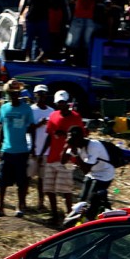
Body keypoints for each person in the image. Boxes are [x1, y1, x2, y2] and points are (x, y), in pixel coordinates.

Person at [39, 90, 86, 224]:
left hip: (67, 159)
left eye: (63, 103)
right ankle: (55, 215)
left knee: (65, 189)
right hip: (52, 156)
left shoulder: (75, 117)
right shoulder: (53, 115)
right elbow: (49, 135)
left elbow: (81, 137)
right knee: (49, 188)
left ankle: (69, 216)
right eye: (59, 103)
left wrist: (65, 135)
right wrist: (43, 152)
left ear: (67, 103)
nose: (62, 105)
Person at [0, 81, 35, 218]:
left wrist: (32, 147)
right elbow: (1, 128)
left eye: (16, 93)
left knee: (21, 181)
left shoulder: (26, 109)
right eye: (11, 93)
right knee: (2, 181)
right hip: (7, 150)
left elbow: (31, 128)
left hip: (21, 150)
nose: (14, 95)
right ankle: (0, 207)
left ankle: (19, 206)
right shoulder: (4, 108)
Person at [62, 127, 115, 222]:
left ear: (80, 138)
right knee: (82, 199)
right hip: (93, 173)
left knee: (92, 201)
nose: (71, 141)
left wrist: (76, 155)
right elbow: (63, 161)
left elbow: (86, 170)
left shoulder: (93, 146)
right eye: (69, 138)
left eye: (73, 139)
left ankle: (89, 221)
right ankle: (104, 208)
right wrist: (67, 146)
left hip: (104, 174)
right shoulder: (75, 146)